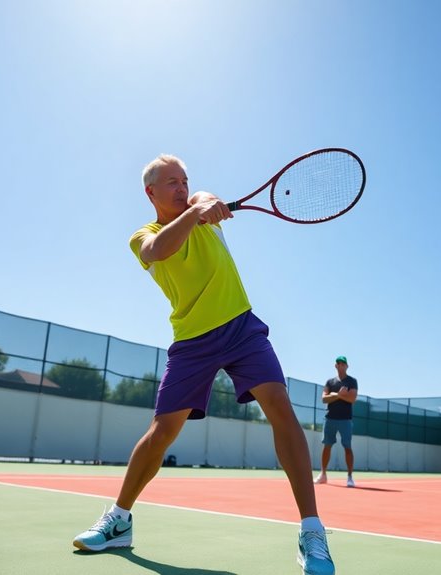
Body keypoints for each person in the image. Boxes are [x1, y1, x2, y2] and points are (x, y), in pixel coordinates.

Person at [72, 154, 335, 575]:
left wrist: (201, 205)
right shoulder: (143, 235)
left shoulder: (201, 203)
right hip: (191, 341)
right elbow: (159, 250)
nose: (182, 187)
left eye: (184, 180)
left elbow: (205, 198)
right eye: (171, 182)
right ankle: (119, 521)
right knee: (161, 432)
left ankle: (312, 531)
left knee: (281, 409)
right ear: (150, 193)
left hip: (241, 328)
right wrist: (195, 214)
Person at [314, 356, 358, 488]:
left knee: (347, 447)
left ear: (347, 366)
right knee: (327, 446)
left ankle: (350, 477)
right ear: (336, 366)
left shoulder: (352, 381)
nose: (341, 365)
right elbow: (324, 399)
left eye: (343, 364)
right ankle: (323, 475)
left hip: (345, 420)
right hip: (330, 418)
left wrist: (335, 396)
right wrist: (339, 395)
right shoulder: (330, 382)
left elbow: (352, 398)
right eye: (339, 363)